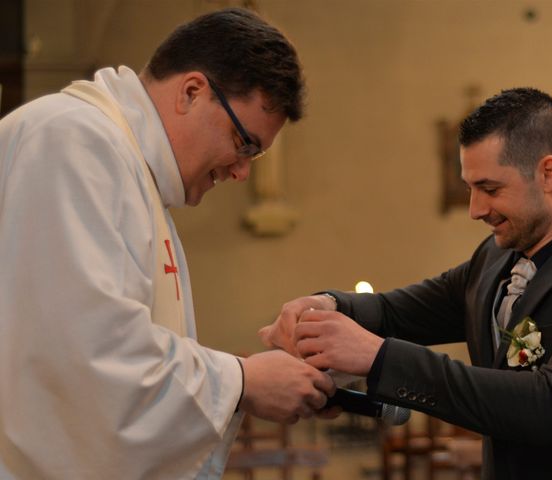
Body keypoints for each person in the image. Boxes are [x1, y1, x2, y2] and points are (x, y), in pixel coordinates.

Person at [0, 8, 335, 480]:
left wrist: (245, 379)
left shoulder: (128, 167)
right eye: (244, 144)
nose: (241, 172)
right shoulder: (73, 140)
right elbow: (83, 358)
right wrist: (243, 381)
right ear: (192, 92)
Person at [260, 88, 552, 479]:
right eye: (469, 188)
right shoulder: (491, 261)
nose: (475, 209)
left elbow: (550, 404)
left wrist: (378, 357)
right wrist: (326, 307)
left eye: (490, 189)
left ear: (548, 174)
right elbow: (393, 311)